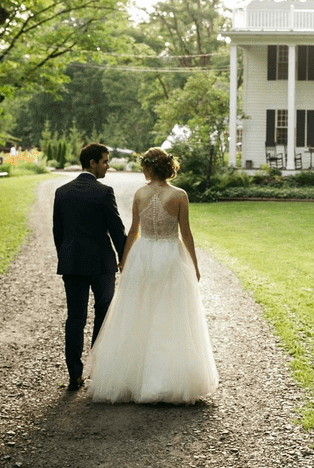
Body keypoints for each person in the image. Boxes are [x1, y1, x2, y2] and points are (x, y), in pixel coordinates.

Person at [86, 147, 219, 404]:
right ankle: (167, 380)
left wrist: (125, 260)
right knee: (170, 313)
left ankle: (133, 378)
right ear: (167, 167)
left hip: (143, 255)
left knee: (138, 312)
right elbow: (186, 234)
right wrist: (194, 264)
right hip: (170, 255)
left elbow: (133, 231)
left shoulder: (140, 194)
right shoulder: (179, 195)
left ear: (148, 167)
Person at [52, 143, 126, 391]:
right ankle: (99, 370)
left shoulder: (62, 192)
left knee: (75, 318)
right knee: (103, 315)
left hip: (72, 263)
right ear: (92, 163)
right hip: (101, 264)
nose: (108, 166)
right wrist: (125, 257)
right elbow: (117, 230)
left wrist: (66, 256)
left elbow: (58, 232)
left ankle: (74, 374)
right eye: (105, 161)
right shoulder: (104, 192)